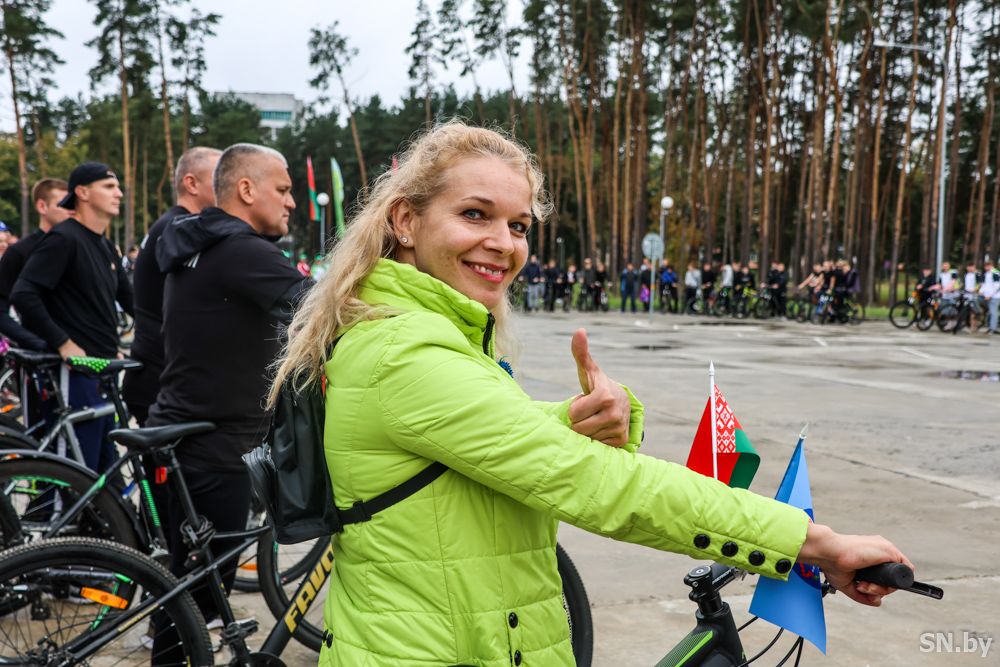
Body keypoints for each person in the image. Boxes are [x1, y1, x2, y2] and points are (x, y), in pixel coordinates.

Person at [269, 122, 909, 665]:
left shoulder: (416, 334)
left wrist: (572, 419)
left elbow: (454, 447)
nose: (503, 243)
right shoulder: (407, 352)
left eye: (519, 225)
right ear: (406, 221)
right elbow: (602, 485)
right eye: (474, 214)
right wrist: (811, 542)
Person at [147, 144, 312, 656]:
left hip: (182, 427)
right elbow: (322, 308)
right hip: (215, 442)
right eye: (283, 190)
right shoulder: (242, 251)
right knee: (197, 593)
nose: (291, 203)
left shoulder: (194, 243)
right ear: (246, 189)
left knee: (187, 584)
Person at [11, 163, 133, 473]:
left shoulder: (106, 245)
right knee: (75, 472)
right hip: (74, 373)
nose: (119, 193)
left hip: (103, 369)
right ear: (82, 192)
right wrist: (63, 343)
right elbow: (24, 294)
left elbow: (134, 303)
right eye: (109, 186)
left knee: (105, 472)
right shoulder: (63, 239)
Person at [123, 147, 221, 425]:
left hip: (160, 372)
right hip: (160, 380)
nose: (228, 184)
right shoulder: (181, 229)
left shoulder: (172, 225)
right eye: (219, 177)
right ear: (191, 183)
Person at [0, 178, 71, 351]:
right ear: (42, 206)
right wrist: (36, 343)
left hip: (89, 351)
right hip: (44, 356)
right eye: (63, 204)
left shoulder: (82, 247)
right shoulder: (19, 252)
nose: (70, 210)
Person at [981, 260, 999, 333]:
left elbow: (997, 286)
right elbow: (985, 284)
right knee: (990, 312)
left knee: (993, 312)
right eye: (985, 266)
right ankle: (990, 327)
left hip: (994, 296)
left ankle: (992, 329)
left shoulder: (995, 272)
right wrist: (981, 291)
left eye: (987, 266)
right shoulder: (987, 273)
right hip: (987, 296)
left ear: (991, 266)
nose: (986, 268)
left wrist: (990, 295)